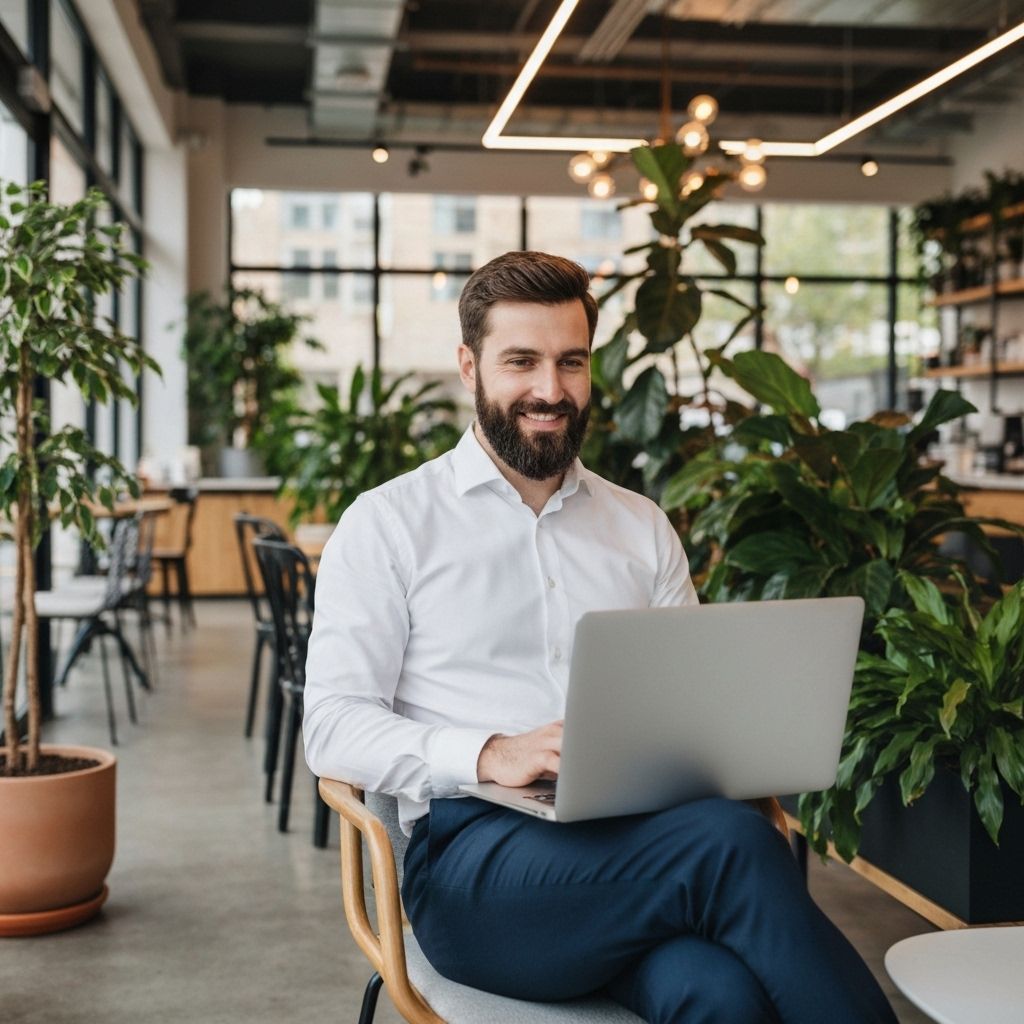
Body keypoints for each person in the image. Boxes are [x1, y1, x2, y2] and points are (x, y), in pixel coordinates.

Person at [304, 251, 897, 1024]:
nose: (550, 390)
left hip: (638, 848)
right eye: (522, 361)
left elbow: (697, 708)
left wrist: (749, 740)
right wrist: (490, 752)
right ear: (468, 366)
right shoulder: (387, 524)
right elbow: (331, 726)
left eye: (571, 362)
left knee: (717, 995)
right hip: (476, 870)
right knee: (733, 844)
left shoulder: (640, 526)